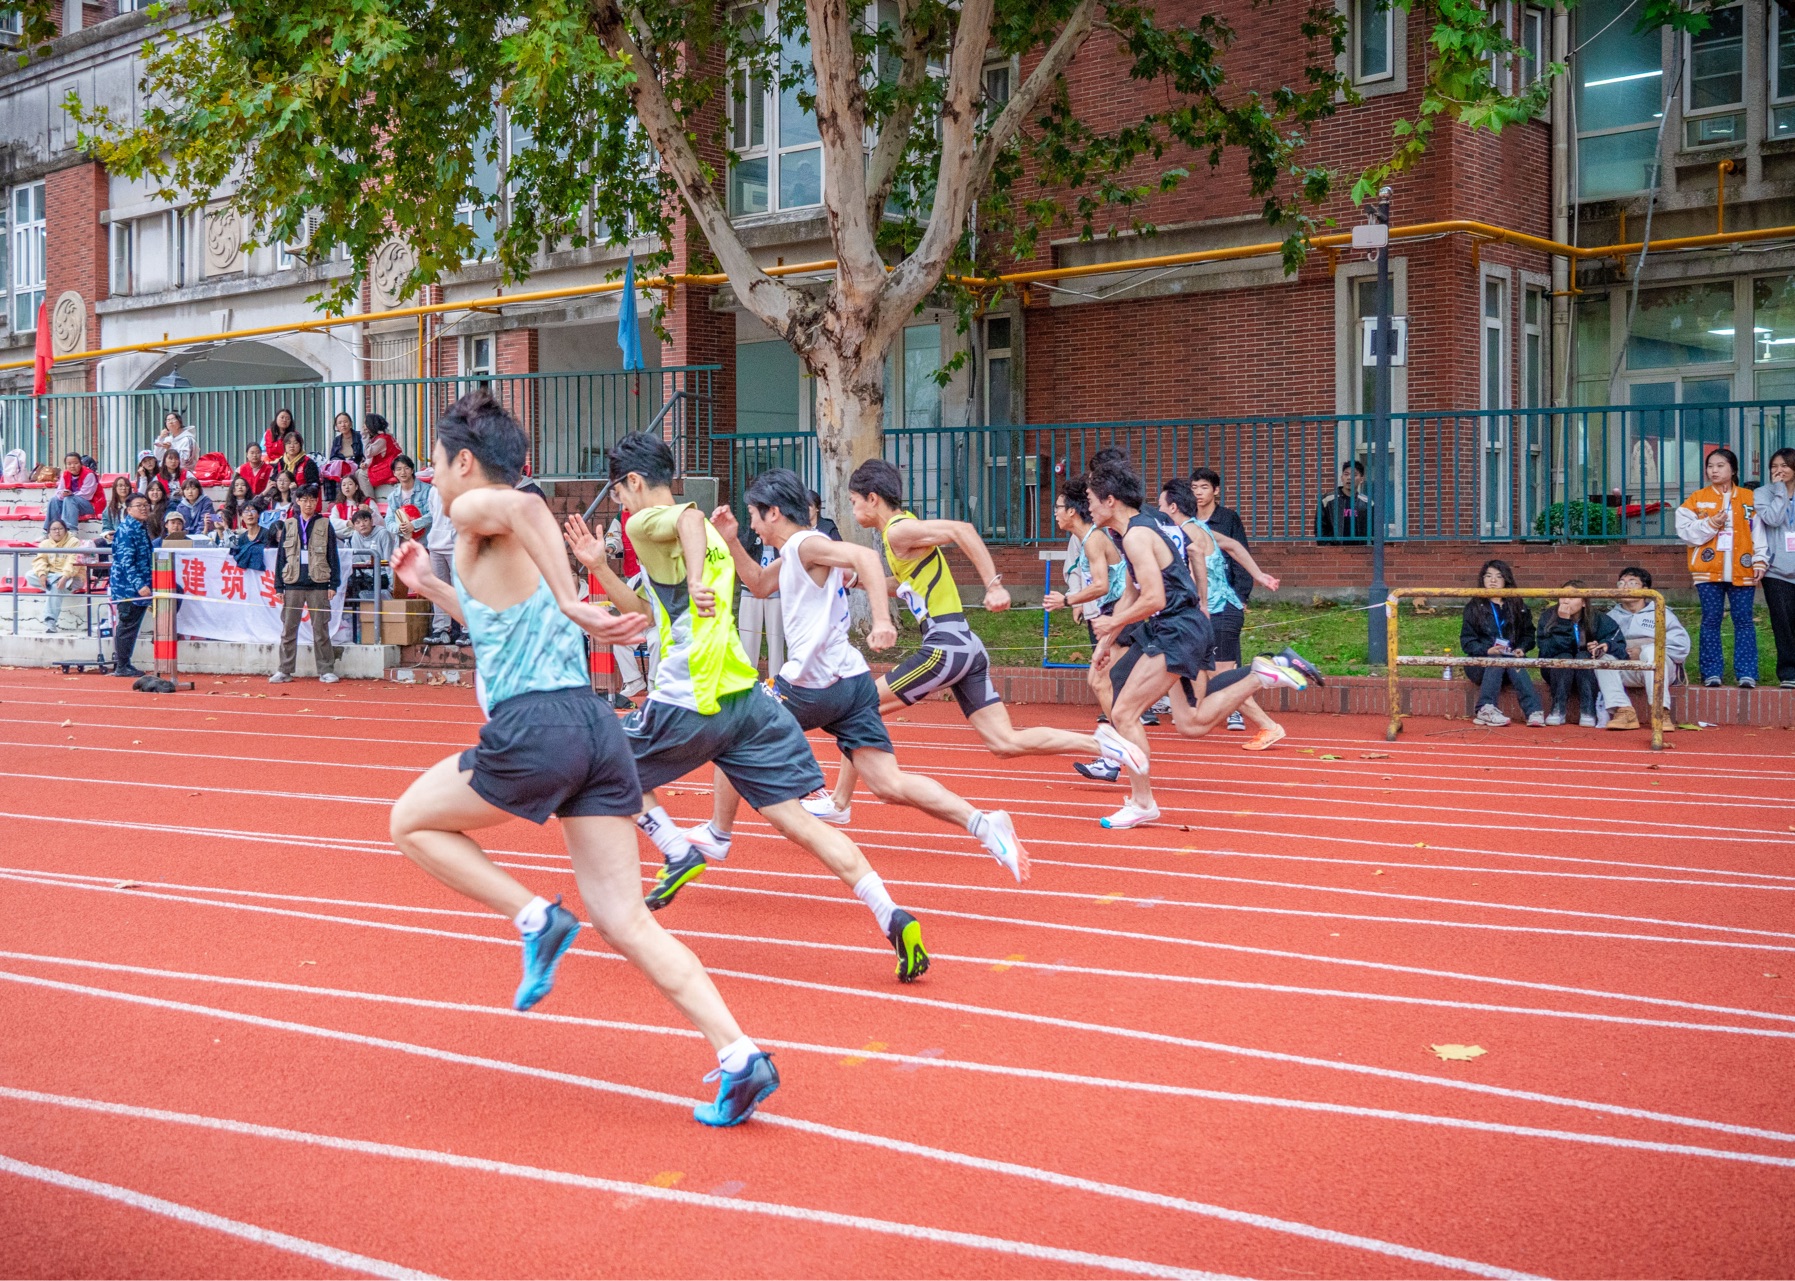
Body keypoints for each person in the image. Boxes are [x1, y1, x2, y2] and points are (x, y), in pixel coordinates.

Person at [386, 395, 776, 1127]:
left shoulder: (482, 509)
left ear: (464, 463)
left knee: (409, 821)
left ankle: (534, 917)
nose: (430, 481)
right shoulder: (495, 538)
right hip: (594, 729)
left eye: (434, 466)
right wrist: (435, 587)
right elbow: (498, 626)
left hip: (539, 726)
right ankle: (737, 1053)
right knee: (624, 919)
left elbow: (531, 508)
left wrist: (572, 598)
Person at [582, 433, 937, 983]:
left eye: (620, 492)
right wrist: (599, 569)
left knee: (595, 762)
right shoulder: (711, 545)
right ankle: (890, 912)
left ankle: (677, 850)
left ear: (633, 481)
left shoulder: (654, 521)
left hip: (690, 693)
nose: (621, 506)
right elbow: (652, 613)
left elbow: (687, 522)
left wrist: (696, 576)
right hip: (746, 700)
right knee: (797, 822)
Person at [639, 467, 1028, 882]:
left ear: (772, 513)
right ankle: (985, 825)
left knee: (735, 727)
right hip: (852, 684)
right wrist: (733, 540)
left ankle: (718, 832)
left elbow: (864, 556)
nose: (750, 523)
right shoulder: (797, 551)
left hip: (811, 684)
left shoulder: (807, 543)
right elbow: (758, 583)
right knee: (887, 783)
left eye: (752, 515)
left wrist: (883, 620)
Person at [821, 457, 1148, 823]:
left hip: (945, 646)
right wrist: (855, 580)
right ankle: (1105, 745)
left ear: (872, 498)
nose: (852, 510)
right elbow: (906, 587)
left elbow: (963, 530)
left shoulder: (898, 530)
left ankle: (838, 804)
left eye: (853, 502)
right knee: (1004, 742)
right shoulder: (896, 536)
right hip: (965, 645)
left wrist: (993, 585)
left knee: (860, 708)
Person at [1084, 462, 1315, 828]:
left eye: (1091, 501)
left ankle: (1143, 802)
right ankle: (1261, 673)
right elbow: (1133, 592)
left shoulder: (1137, 535)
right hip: (1180, 626)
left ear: (1110, 500)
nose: (1089, 509)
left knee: (1124, 713)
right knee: (1190, 723)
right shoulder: (1131, 532)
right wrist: (1106, 643)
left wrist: (1112, 621)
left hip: (1176, 627)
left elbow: (1155, 598)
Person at [1160, 478, 1291, 751]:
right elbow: (1233, 546)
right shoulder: (1200, 528)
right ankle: (1260, 717)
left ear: (1172, 507)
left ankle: (1269, 717)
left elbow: (1198, 573)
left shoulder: (1187, 534)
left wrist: (1201, 604)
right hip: (1222, 611)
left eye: (1160, 504)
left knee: (1221, 679)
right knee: (1212, 677)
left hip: (1217, 613)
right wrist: (1258, 575)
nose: (1158, 508)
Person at [1676, 446, 1759, 688]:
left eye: (1720, 465)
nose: (1714, 470)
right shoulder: (1697, 499)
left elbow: (1760, 532)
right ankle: (1711, 672)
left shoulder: (1749, 498)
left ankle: (1747, 673)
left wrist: (1760, 559)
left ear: (1733, 470)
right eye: (1710, 466)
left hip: (1742, 568)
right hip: (1707, 570)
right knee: (1711, 619)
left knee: (1743, 620)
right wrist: (1711, 524)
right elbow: (1687, 533)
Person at [1189, 467, 1256, 730]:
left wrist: (1242, 595)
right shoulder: (1188, 521)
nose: (1198, 493)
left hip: (1225, 595)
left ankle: (1234, 709)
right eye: (1194, 488)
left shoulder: (1228, 519)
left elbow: (1239, 555)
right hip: (1196, 598)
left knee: (1227, 654)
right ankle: (1198, 701)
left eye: (1204, 487)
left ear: (1215, 490)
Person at [1459, 559, 1545, 728]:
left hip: (1511, 664)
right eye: (1488, 576)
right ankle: (1486, 708)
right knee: (1498, 656)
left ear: (1506, 580)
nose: (1493, 580)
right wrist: (1487, 650)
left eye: (1498, 576)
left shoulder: (1517, 605)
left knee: (1510, 659)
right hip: (1481, 664)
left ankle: (1533, 712)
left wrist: (1521, 648)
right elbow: (1467, 642)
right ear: (1482, 580)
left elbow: (1528, 635)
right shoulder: (1473, 607)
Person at [269, 484, 341, 685]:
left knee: (321, 628)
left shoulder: (325, 524)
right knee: (288, 628)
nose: (308, 504)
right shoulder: (290, 524)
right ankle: (284, 669)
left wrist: (333, 584)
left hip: (318, 582)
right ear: (297, 502)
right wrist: (278, 586)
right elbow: (281, 557)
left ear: (317, 502)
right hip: (292, 582)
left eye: (312, 500)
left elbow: (332, 555)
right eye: (304, 500)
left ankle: (326, 669)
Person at [1537, 583, 1634, 729]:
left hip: (1588, 673)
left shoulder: (1598, 619)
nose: (1565, 601)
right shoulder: (1548, 617)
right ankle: (1557, 709)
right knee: (1564, 656)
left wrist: (1601, 646)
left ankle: (1588, 710)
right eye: (1562, 596)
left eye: (1572, 597)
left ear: (1583, 602)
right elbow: (1546, 650)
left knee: (1584, 656)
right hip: (1556, 671)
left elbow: (1619, 645)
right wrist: (1563, 622)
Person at [1607, 566, 1691, 716]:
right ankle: (1623, 712)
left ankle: (1661, 712)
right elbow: (1603, 643)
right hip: (1626, 669)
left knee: (1651, 651)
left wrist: (1643, 648)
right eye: (1621, 583)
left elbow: (1681, 645)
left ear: (1645, 589)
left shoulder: (1661, 612)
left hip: (1659, 669)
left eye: (1632, 583)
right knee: (1602, 657)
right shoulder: (1611, 617)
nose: (1625, 587)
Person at [1750, 447, 1795, 689]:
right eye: (1774, 466)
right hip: (1777, 570)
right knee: (1783, 624)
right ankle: (1789, 672)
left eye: (1784, 466)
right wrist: (1780, 492)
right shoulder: (1762, 493)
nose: (1779, 470)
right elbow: (1773, 519)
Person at [109, 492, 153, 678]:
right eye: (139, 505)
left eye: (146, 504)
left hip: (138, 584)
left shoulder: (140, 527)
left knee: (131, 625)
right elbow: (127, 562)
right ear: (129, 510)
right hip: (129, 587)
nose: (144, 508)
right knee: (127, 625)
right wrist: (139, 584)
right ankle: (122, 665)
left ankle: (123, 662)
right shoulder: (128, 529)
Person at [735, 520, 785, 675]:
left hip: (776, 588)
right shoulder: (750, 529)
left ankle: (776, 681)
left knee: (776, 638)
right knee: (748, 639)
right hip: (750, 588)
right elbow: (743, 550)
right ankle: (748, 679)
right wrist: (754, 531)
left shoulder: (782, 529)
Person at [422, 471, 462, 645]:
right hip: (435, 545)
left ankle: (466, 630)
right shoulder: (432, 491)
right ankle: (440, 628)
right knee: (438, 589)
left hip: (456, 546)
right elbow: (432, 514)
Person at [28, 519, 86, 632]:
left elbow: (73, 562)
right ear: (49, 532)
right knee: (29, 575)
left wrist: (64, 577)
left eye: (60, 529)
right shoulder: (45, 543)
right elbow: (40, 561)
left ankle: (50, 622)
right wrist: (42, 574)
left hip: (72, 578)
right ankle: (54, 581)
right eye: (54, 529)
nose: (57, 532)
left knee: (54, 587)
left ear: (65, 530)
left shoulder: (74, 542)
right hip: (52, 576)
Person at [1315, 459, 1372, 544]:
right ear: (1342, 477)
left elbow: (1373, 531)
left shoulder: (1367, 503)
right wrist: (1328, 547)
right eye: (1346, 474)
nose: (1349, 478)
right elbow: (1320, 528)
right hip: (1335, 553)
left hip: (1360, 552)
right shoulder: (1328, 500)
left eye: (1354, 475)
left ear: (1361, 479)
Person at [346, 506, 397, 598]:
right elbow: (356, 561)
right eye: (358, 523)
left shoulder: (383, 533)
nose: (362, 524)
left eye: (365, 520)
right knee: (351, 584)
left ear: (372, 521)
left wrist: (392, 585)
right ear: (354, 527)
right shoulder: (355, 536)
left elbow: (390, 560)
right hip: (365, 574)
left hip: (382, 574)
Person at [43, 451, 99, 533]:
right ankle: (49, 530)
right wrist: (62, 494)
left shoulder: (89, 474)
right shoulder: (65, 474)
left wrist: (70, 494)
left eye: (75, 463)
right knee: (54, 500)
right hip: (69, 504)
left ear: (81, 463)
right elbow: (59, 491)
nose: (72, 466)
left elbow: (87, 495)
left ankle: (71, 530)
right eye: (69, 464)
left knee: (69, 499)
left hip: (88, 505)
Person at [385, 455, 433, 542]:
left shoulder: (427, 490)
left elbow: (433, 514)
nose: (403, 472)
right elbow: (389, 521)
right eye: (399, 469)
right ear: (394, 472)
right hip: (404, 543)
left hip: (425, 542)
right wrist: (399, 527)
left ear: (412, 470)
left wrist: (413, 525)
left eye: (406, 468)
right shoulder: (393, 496)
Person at [363, 413, 400, 488]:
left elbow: (368, 453)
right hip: (389, 465)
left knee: (361, 474)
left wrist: (364, 436)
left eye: (365, 423)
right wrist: (366, 464)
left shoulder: (382, 440)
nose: (363, 426)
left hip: (389, 467)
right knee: (361, 471)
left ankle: (369, 498)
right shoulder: (384, 437)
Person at [99, 476, 135, 541]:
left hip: (132, 537)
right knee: (98, 542)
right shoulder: (109, 509)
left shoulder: (135, 506)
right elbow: (106, 528)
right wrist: (107, 535)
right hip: (116, 539)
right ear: (115, 488)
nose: (123, 488)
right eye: (120, 486)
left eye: (126, 486)